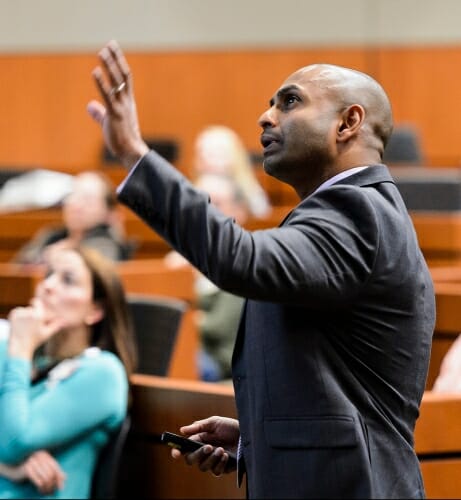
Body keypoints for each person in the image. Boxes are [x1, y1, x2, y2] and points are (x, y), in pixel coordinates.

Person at [87, 40, 435, 499]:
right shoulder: (348, 212)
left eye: (290, 102)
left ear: (348, 123)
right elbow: (343, 388)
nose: (266, 116)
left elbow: (238, 259)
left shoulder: (358, 211)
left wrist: (136, 154)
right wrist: (260, 440)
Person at [0, 245, 137, 498]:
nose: (48, 286)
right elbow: (11, 448)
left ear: (95, 310)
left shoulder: (103, 372)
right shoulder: (10, 350)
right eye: (48, 274)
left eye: (68, 280)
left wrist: (19, 349)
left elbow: (13, 441)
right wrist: (10, 466)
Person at [164, 174, 248, 382]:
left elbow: (217, 326)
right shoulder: (180, 259)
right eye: (200, 202)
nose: (206, 211)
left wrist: (189, 317)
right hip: (189, 349)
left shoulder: (242, 257)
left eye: (217, 203)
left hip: (221, 359)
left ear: (238, 212)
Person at [12, 170, 132, 266]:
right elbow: (17, 271)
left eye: (87, 199)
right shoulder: (50, 236)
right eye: (73, 195)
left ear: (108, 213)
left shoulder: (106, 246)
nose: (76, 205)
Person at [192, 125, 271, 218]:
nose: (207, 159)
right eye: (202, 153)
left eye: (215, 154)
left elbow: (262, 212)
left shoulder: (246, 184)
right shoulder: (195, 188)